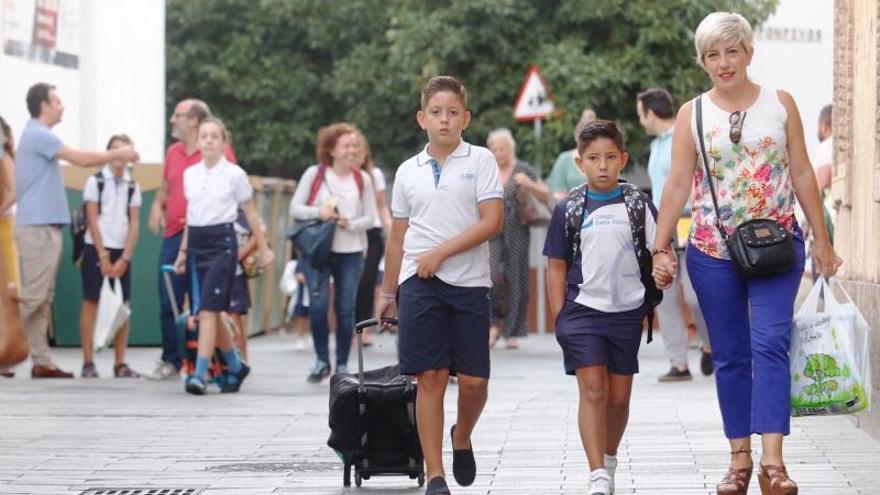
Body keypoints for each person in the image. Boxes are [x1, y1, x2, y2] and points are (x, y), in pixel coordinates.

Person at [651, 12, 841, 495]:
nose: (723, 62)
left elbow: (801, 172)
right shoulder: (691, 115)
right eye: (712, 55)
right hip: (713, 251)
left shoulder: (780, 105)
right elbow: (676, 184)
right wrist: (661, 247)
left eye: (731, 51)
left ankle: (773, 464)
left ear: (749, 53)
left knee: (771, 344)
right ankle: (739, 460)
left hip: (777, 247)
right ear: (702, 62)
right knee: (732, 354)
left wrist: (822, 239)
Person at [377, 76, 503, 495]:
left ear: (465, 118)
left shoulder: (480, 160)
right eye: (436, 113)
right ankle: (435, 474)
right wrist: (388, 291)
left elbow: (492, 222)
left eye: (452, 113)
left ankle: (462, 435)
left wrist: (440, 254)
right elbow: (397, 236)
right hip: (418, 284)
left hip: (468, 284)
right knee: (428, 378)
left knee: (474, 383)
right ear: (421, 119)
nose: (444, 120)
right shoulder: (406, 171)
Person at [543, 120, 657, 495]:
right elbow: (556, 266)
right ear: (580, 163)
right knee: (593, 391)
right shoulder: (569, 208)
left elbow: (659, 251)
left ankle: (609, 457)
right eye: (593, 158)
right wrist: (560, 316)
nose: (602, 165)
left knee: (619, 398)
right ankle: (597, 474)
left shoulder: (639, 205)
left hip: (626, 313)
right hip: (582, 312)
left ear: (623, 159)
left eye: (610, 157)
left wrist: (665, 266)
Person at [14, 83, 139, 379]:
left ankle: (41, 360)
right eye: (57, 101)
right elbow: (82, 160)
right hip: (37, 228)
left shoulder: (38, 136)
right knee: (34, 297)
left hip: (45, 227)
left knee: (43, 298)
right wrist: (118, 153)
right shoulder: (39, 134)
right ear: (44, 105)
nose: (62, 106)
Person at [173, 117, 273, 395]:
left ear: (223, 142)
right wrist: (183, 251)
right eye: (203, 136)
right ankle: (234, 363)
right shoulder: (190, 174)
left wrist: (263, 248)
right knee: (213, 311)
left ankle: (200, 374)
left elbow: (251, 212)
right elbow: (190, 218)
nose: (208, 140)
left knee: (207, 310)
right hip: (198, 242)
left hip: (222, 243)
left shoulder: (234, 175)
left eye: (214, 136)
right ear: (198, 140)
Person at [147, 99, 237, 381]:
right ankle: (171, 359)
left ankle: (213, 362)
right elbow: (165, 189)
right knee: (168, 297)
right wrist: (155, 207)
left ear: (195, 121)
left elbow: (233, 191)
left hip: (208, 237)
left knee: (205, 304)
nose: (173, 120)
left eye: (179, 115)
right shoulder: (173, 153)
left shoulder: (218, 152)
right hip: (174, 234)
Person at [289, 122, 377, 382]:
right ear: (332, 149)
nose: (352, 150)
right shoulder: (314, 175)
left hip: (350, 250)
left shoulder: (363, 179)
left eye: (355, 145)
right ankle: (320, 360)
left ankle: (341, 363)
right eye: (346, 145)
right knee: (317, 305)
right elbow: (295, 208)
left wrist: (349, 223)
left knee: (345, 308)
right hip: (318, 249)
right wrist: (320, 212)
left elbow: (370, 218)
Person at [636, 87, 713, 380]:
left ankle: (710, 346)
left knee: (696, 296)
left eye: (640, 113)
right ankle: (678, 363)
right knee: (664, 296)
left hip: (691, 225)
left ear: (650, 113)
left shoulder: (684, 137)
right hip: (661, 229)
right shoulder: (656, 146)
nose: (640, 120)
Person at [78, 134, 142, 378]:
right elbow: (92, 218)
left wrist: (125, 257)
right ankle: (88, 361)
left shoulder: (132, 186)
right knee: (91, 301)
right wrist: (103, 255)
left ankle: (120, 362)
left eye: (125, 149)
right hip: (96, 247)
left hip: (121, 248)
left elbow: (134, 223)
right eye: (116, 149)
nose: (120, 155)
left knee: (123, 305)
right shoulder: (96, 182)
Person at [485, 128, 549, 349]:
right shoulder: (487, 170)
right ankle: (492, 325)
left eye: (502, 148)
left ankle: (512, 331)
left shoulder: (523, 169)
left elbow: (545, 193)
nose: (498, 153)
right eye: (494, 149)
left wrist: (528, 184)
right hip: (492, 228)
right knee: (490, 276)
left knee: (517, 278)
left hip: (517, 228)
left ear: (510, 148)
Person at [353, 129, 391, 346]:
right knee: (351, 283)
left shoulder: (373, 175)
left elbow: (380, 204)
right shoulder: (341, 176)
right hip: (349, 231)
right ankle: (350, 328)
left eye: (358, 146)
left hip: (372, 231)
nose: (355, 151)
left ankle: (363, 330)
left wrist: (389, 223)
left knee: (367, 282)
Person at [0, 116, 26, 371]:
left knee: (8, 290)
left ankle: (7, 353)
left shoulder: (4, 158)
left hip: (4, 228)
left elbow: (14, 192)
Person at [227, 207, 264, 361]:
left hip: (236, 272)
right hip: (216, 269)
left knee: (234, 315)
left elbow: (260, 231)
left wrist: (241, 253)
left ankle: (241, 358)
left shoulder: (242, 212)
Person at [548, 108, 595, 202]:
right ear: (576, 137)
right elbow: (556, 193)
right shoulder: (564, 159)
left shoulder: (602, 159)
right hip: (571, 212)